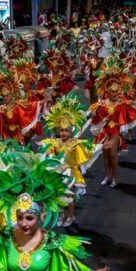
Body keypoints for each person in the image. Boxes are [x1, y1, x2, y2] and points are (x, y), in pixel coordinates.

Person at [38, 93, 99, 227]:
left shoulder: (75, 143)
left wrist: (100, 146)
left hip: (71, 173)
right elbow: (47, 150)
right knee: (58, 195)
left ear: (71, 131)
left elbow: (87, 151)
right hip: (58, 173)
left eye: (66, 130)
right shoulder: (55, 142)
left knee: (69, 197)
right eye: (61, 130)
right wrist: (47, 150)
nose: (64, 133)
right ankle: (60, 215)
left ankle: (70, 216)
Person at [89, 58, 136, 188]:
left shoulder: (121, 103)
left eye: (117, 90)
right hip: (105, 133)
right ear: (107, 91)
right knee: (105, 156)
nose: (115, 93)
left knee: (112, 155)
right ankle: (108, 176)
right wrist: (95, 114)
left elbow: (131, 112)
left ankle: (115, 179)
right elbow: (97, 119)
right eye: (112, 91)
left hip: (115, 134)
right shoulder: (101, 104)